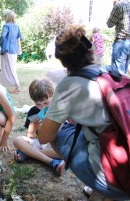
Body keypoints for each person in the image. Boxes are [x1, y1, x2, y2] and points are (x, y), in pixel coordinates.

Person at [37, 25, 130, 200]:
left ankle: (106, 188)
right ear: (91, 51)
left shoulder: (69, 85)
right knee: (94, 134)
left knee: (59, 133)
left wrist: (40, 128)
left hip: (114, 178)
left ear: (63, 61)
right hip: (125, 165)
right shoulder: (114, 73)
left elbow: (44, 137)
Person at [13, 79, 64, 176]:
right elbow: (31, 137)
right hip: (40, 143)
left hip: (56, 145)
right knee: (17, 140)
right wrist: (33, 127)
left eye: (46, 103)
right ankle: (51, 161)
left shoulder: (60, 108)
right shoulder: (34, 111)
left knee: (66, 151)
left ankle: (29, 154)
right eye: (38, 104)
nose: (42, 107)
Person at [0, 10, 22, 93]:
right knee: (5, 67)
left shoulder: (6, 26)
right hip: (14, 50)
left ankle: (17, 86)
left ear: (7, 17)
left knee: (9, 68)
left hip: (6, 49)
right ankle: (1, 84)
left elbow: (3, 35)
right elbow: (20, 38)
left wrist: (0, 42)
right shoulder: (17, 26)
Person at [107, 0, 130, 75]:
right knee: (124, 72)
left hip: (121, 42)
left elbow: (109, 24)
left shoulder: (119, 5)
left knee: (117, 73)